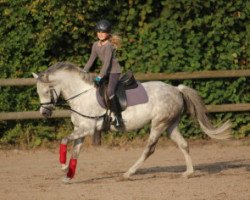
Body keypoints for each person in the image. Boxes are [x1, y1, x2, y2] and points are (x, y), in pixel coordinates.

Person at [83, 19, 123, 127]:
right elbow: (91, 59)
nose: (100, 34)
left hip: (114, 72)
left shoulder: (109, 46)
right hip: (105, 72)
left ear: (108, 33)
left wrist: (100, 76)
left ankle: (118, 117)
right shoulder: (96, 45)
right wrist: (83, 71)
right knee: (96, 89)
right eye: (98, 32)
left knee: (110, 91)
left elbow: (107, 62)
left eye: (103, 32)